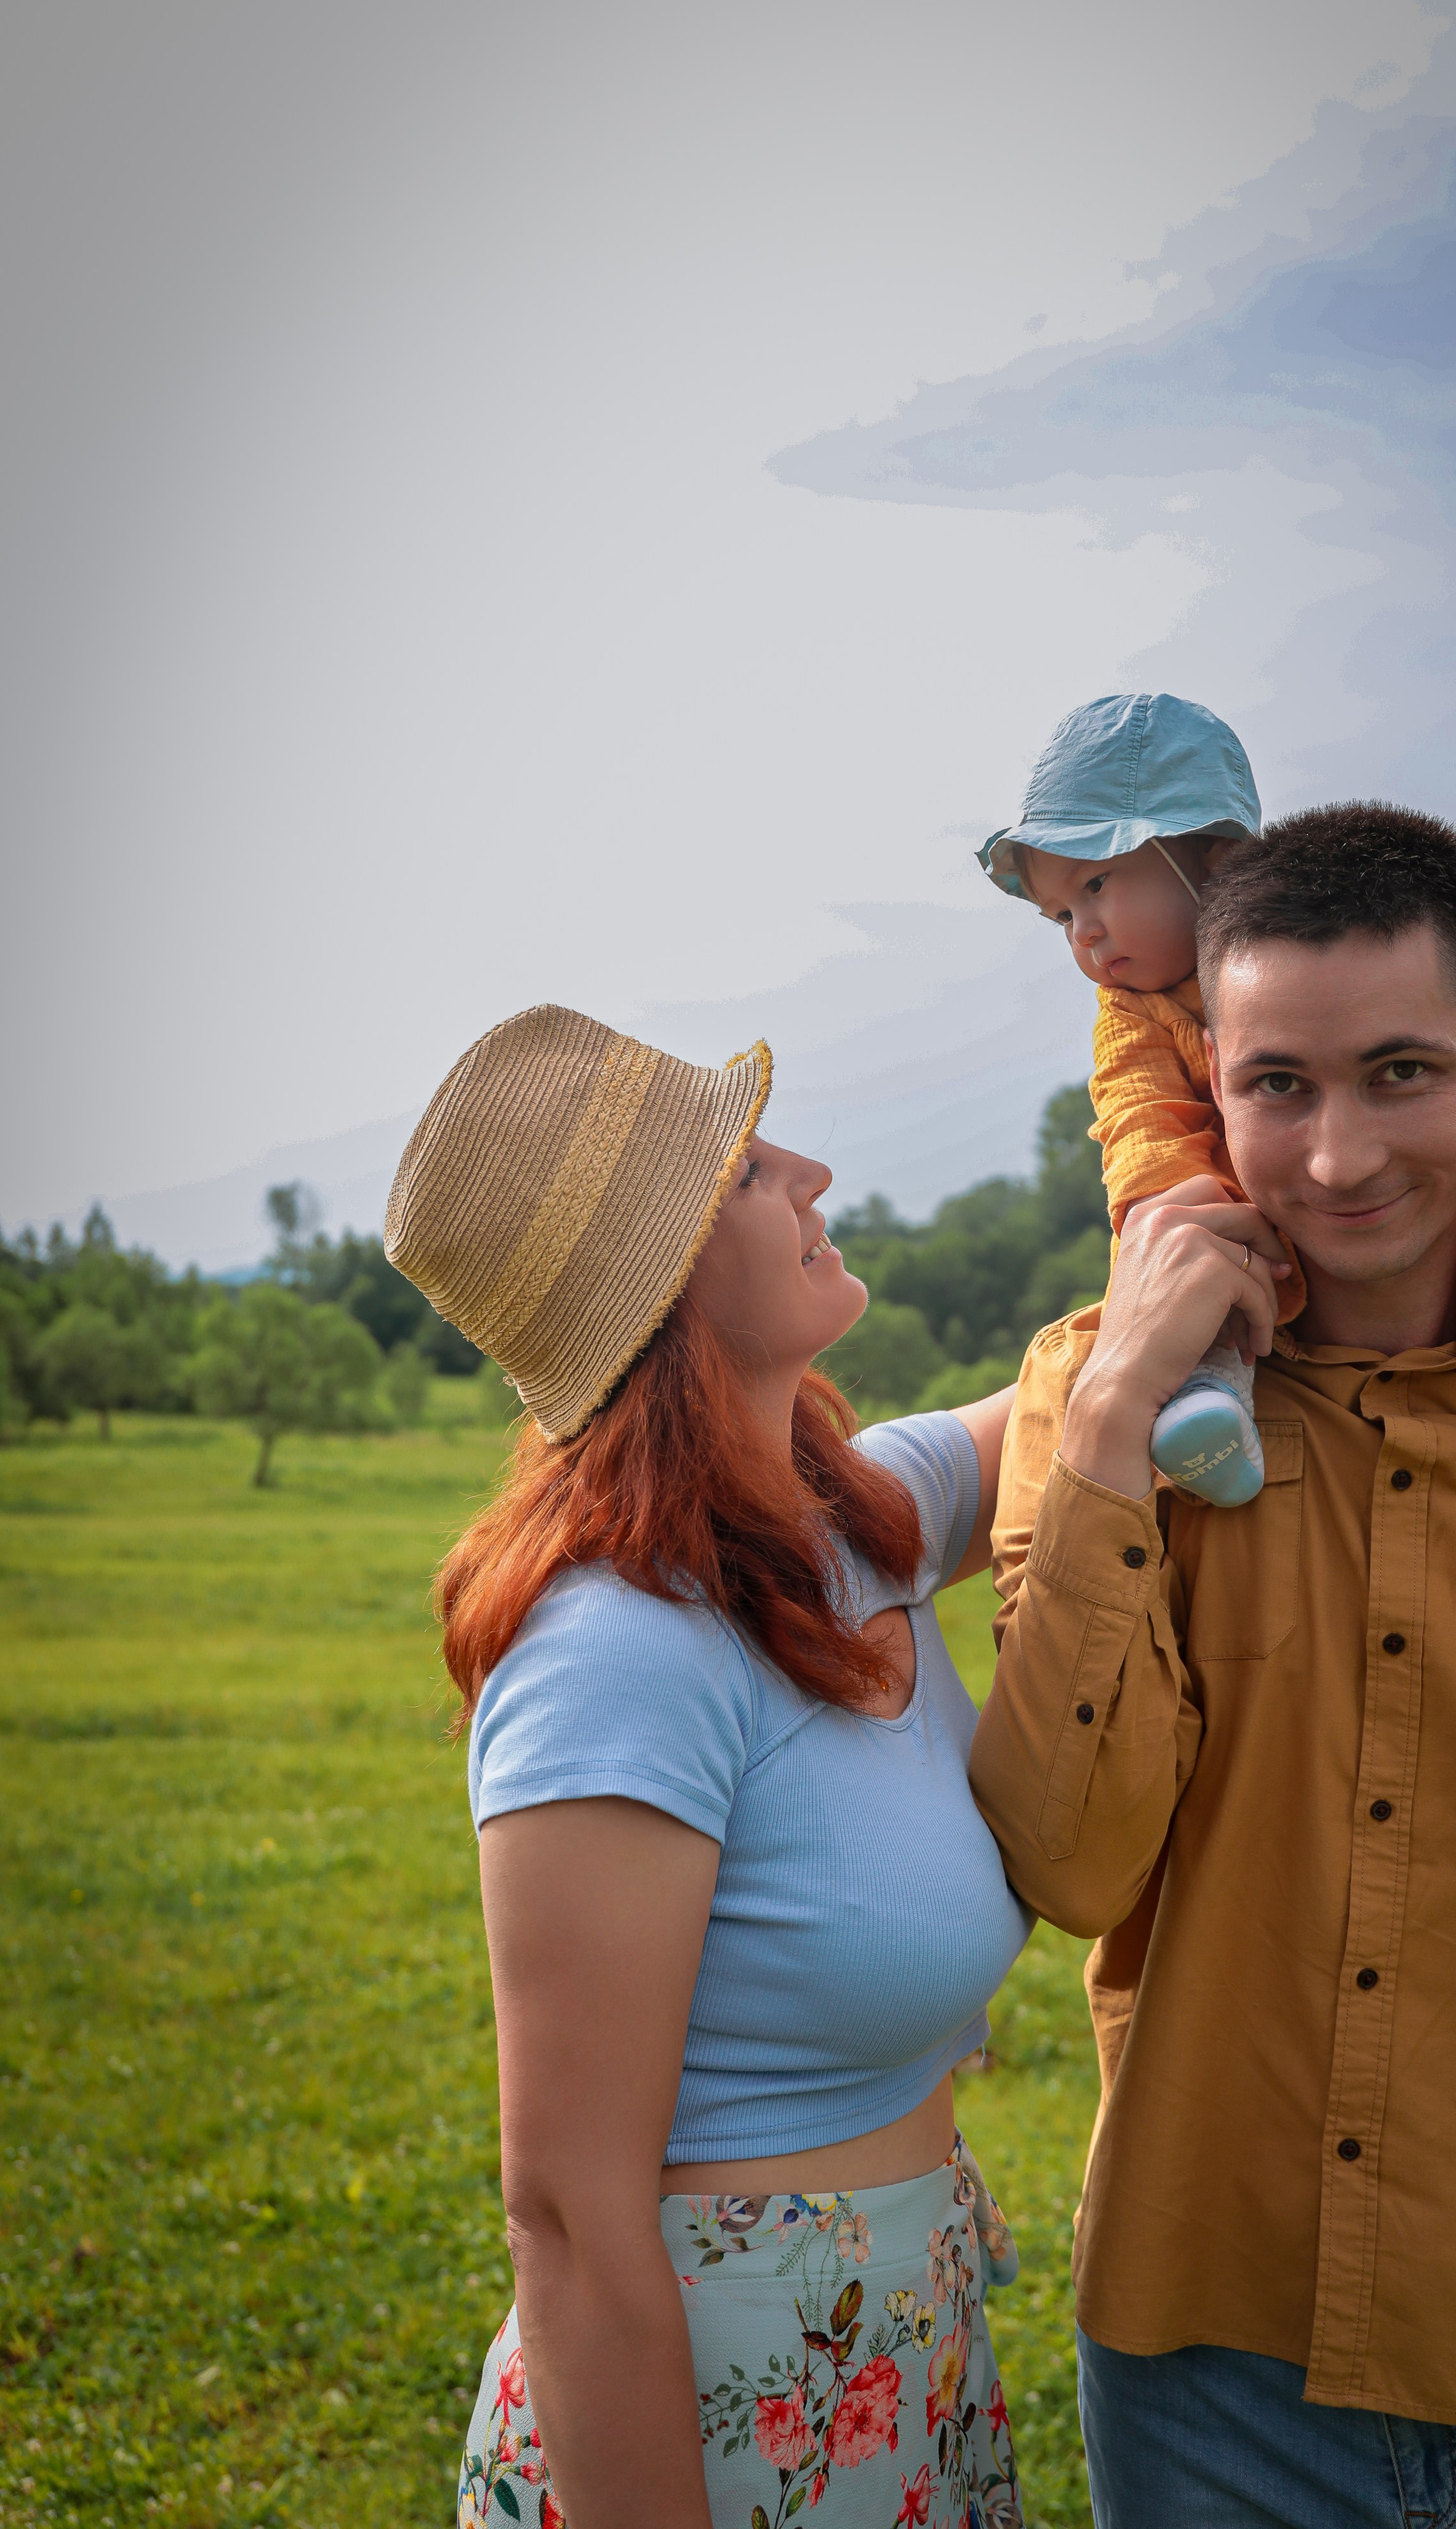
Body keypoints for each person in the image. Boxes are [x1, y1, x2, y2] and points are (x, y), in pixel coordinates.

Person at [967, 803, 1456, 2526]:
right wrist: (1109, 1428)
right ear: (1205, 1089)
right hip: (1206, 2378)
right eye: (1278, 1089)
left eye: (1398, 1072)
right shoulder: (1096, 1401)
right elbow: (1070, 1861)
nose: (1334, 1161)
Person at [383, 1004, 1032, 2529]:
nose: (808, 1172)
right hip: (711, 2416)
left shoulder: (849, 1528)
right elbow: (563, 2213)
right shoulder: (615, 1648)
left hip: (898, 2363)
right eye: (747, 1167)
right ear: (658, 1272)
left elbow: (1097, 1379)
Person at [977, 693, 1456, 1601]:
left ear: (1217, 861)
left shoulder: (1417, 935)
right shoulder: (1131, 1018)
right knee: (1201, 1264)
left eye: (1097, 886)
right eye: (1061, 917)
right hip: (1235, 1250)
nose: (1085, 935)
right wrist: (1158, 1207)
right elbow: (1138, 1112)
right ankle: (1207, 1403)